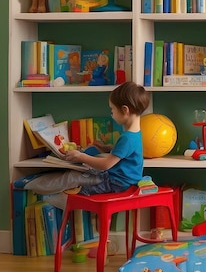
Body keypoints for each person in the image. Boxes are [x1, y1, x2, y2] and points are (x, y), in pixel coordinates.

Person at [42, 81, 150, 209]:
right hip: (124, 180)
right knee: (86, 174)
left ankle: (67, 202)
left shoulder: (127, 138)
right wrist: (106, 148)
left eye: (113, 110)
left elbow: (105, 165)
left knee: (81, 184)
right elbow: (125, 154)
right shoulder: (135, 134)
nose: (112, 114)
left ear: (125, 110)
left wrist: (81, 156)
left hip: (117, 183)